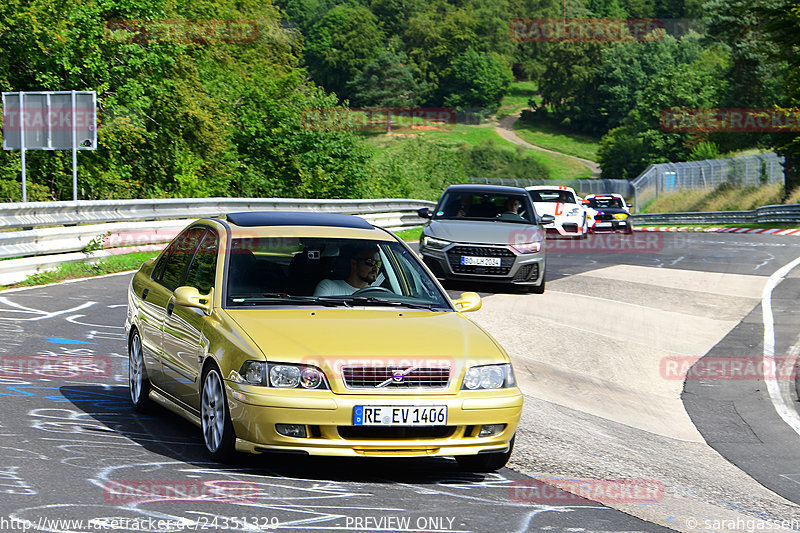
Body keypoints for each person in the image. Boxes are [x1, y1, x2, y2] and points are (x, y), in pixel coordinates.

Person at [314, 245, 382, 296]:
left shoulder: (378, 294)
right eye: (370, 262)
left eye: (378, 263)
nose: (375, 268)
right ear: (353, 263)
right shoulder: (328, 286)